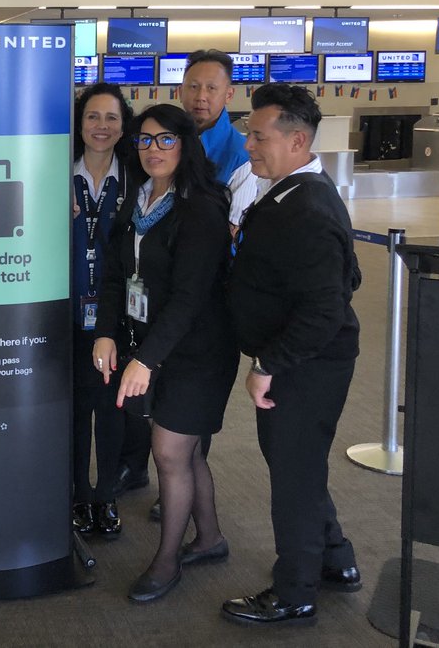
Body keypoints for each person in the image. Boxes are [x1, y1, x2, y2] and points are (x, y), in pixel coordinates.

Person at [221, 83, 362, 626]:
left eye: (258, 136)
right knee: (299, 465)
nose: (249, 145)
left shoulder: (306, 206)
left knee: (294, 477)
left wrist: (268, 365)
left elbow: (324, 308)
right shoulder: (290, 191)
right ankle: (335, 558)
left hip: (304, 365)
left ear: (297, 140)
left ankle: (294, 592)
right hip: (299, 358)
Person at [93, 104, 238, 603]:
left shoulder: (201, 206)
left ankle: (167, 560)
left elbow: (190, 297)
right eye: (144, 140)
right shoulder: (138, 196)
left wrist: (146, 360)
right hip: (153, 340)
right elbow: (115, 273)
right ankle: (211, 539)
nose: (153, 150)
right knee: (188, 450)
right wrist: (107, 332)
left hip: (198, 349)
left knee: (169, 453)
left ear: (185, 145)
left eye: (165, 140)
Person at [69, 83, 145, 540]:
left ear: (123, 126)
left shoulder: (137, 179)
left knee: (113, 408)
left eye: (111, 118)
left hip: (116, 315)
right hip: (66, 312)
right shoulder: (55, 174)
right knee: (76, 408)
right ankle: (80, 494)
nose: (101, 127)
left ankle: (106, 494)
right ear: (79, 124)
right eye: (93, 117)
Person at [180, 49, 258, 227]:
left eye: (211, 88)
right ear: (180, 91)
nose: (201, 97)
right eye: (193, 87)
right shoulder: (165, 141)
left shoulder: (242, 157)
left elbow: (235, 230)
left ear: (229, 95)